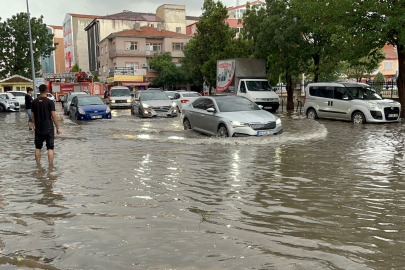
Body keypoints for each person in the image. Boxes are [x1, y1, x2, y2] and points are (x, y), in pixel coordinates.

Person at [31, 84, 61, 165]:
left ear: (39, 91)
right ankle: (51, 167)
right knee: (50, 148)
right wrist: (57, 127)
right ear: (47, 91)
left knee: (38, 147)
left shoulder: (34, 102)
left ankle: (38, 165)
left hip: (38, 128)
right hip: (48, 128)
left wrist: (34, 125)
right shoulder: (50, 102)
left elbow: (32, 116)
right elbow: (54, 116)